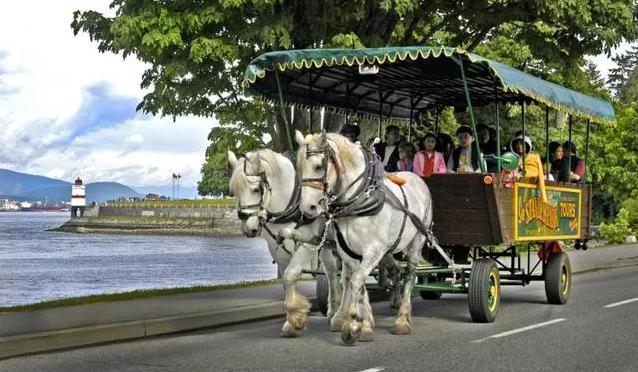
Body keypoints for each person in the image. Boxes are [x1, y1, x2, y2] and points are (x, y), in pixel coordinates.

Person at [509, 134, 547, 202]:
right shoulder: (511, 158)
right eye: (518, 144)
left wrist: (543, 195)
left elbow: (539, 175)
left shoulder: (533, 158)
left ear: (527, 145)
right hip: (511, 189)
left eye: (522, 144)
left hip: (527, 189)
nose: (519, 146)